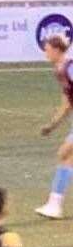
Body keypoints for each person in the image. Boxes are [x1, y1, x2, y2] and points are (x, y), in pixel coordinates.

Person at [36, 35, 73, 219]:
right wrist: (52, 126)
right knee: (66, 156)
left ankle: (55, 205)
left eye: (47, 49)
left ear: (57, 50)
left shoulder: (70, 67)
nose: (45, 53)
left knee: (65, 154)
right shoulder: (60, 71)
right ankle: (54, 204)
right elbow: (67, 103)